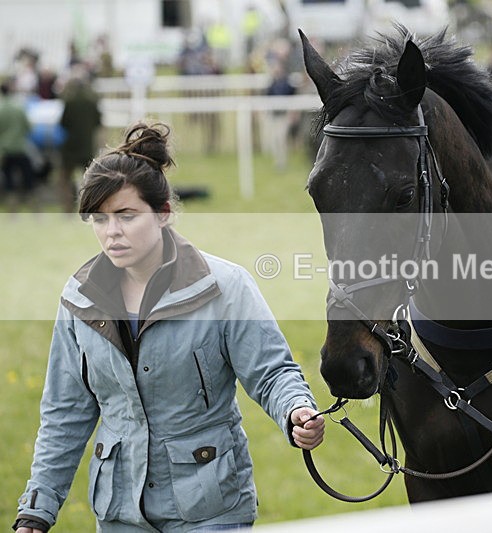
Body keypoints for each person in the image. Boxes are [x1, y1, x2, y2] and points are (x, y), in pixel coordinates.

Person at [13, 122, 324, 532]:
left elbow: (271, 372)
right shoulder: (78, 300)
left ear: (163, 213)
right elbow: (64, 414)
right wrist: (37, 510)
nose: (112, 233)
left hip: (211, 510)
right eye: (100, 219)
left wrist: (296, 410)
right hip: (118, 512)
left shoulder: (224, 286)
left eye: (126, 215)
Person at [58, 70, 102, 212]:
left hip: (70, 147)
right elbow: (98, 123)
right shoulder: (92, 102)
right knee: (90, 180)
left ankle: (68, 209)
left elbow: (63, 123)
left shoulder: (69, 102)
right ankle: (90, 207)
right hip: (87, 146)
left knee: (65, 178)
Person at [0, 79, 37, 207]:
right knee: (28, 179)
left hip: (4, 150)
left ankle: (12, 212)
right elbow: (29, 128)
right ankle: (35, 209)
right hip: (20, 148)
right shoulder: (19, 107)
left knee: (9, 181)